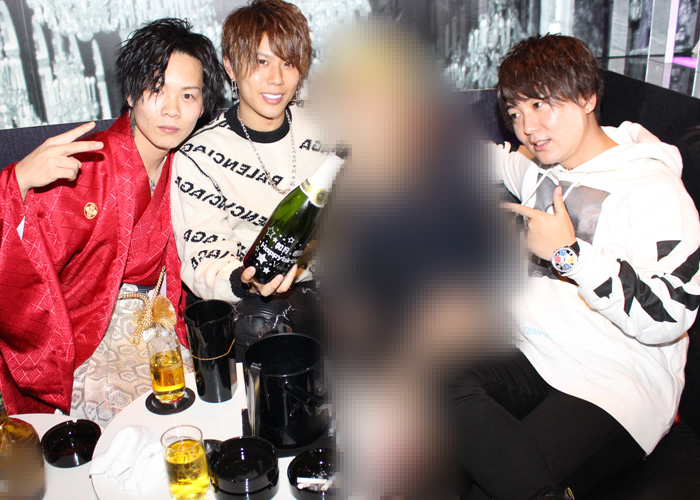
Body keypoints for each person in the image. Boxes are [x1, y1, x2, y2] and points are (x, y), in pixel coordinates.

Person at [449, 34, 700, 499]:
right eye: (515, 112)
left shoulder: (655, 189)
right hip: (535, 353)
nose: (528, 127)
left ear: (586, 97)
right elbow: (490, 159)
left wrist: (569, 255)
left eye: (540, 105)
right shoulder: (545, 166)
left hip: (614, 378)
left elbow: (671, 314)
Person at [0, 18, 224, 424]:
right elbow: (19, 258)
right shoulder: (87, 166)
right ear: (131, 93)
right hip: (92, 335)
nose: (172, 109)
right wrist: (17, 182)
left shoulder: (191, 167)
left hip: (161, 323)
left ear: (204, 105)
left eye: (188, 95)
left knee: (207, 410)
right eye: (157, 89)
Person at [171, 0, 328, 355]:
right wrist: (247, 281)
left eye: (288, 63)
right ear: (230, 65)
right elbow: (204, 258)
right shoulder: (200, 155)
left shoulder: (327, 130)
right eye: (261, 62)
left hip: (329, 285)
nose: (277, 79)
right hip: (251, 303)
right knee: (264, 324)